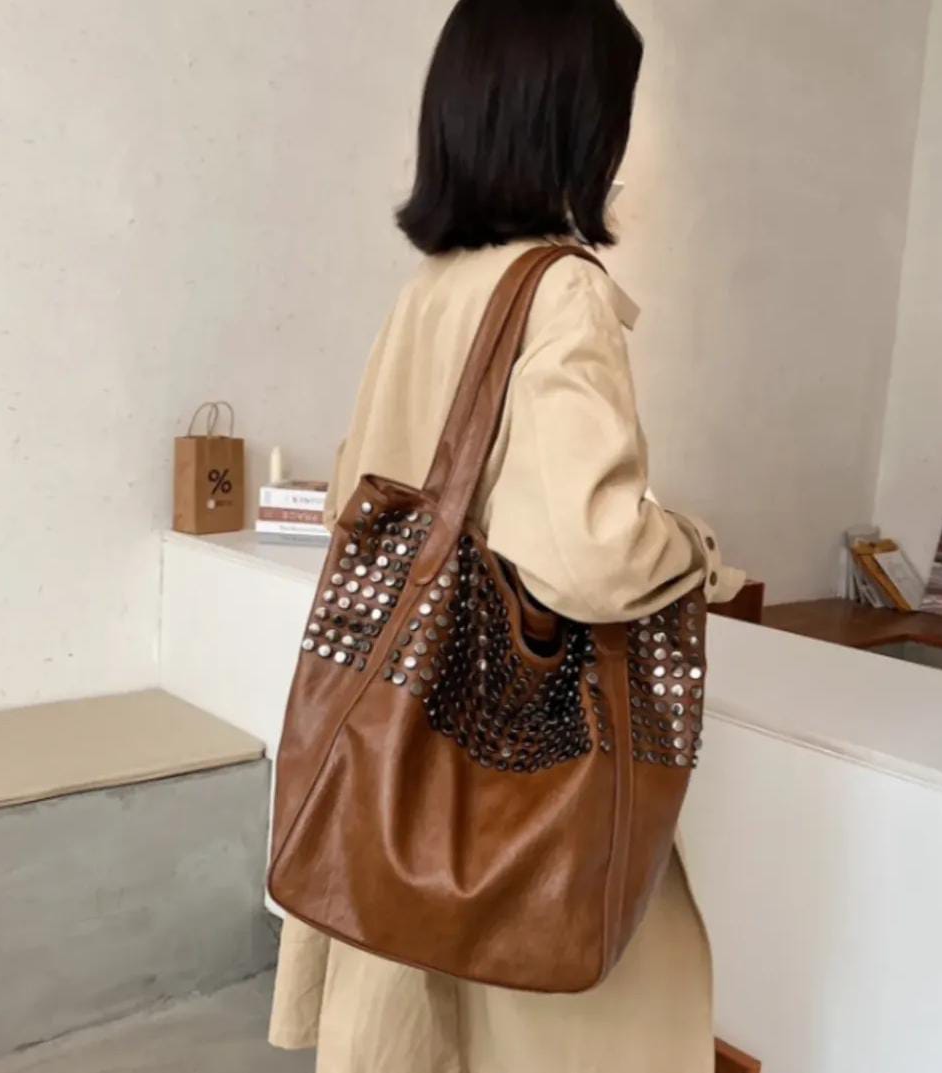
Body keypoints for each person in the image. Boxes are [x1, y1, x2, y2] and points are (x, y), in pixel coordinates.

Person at [269, 1, 745, 1070]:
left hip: (397, 764)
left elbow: (361, 490)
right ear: (575, 121)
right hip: (500, 789)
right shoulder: (559, 290)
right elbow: (588, 557)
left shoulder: (432, 287)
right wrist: (695, 548)